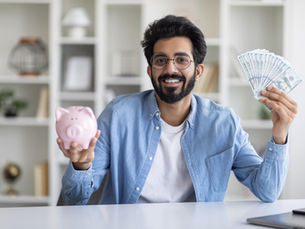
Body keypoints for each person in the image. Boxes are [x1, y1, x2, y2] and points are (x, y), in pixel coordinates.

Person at [57, 15, 298, 205]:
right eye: (161, 60)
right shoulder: (118, 115)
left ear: (199, 71)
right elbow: (75, 198)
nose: (170, 69)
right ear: (150, 71)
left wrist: (280, 134)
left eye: (181, 60)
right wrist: (81, 167)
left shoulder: (224, 122)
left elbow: (267, 192)